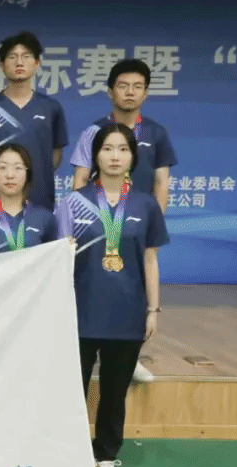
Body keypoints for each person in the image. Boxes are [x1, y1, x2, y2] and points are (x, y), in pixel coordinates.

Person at [55, 123, 168, 467]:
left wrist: (153, 310)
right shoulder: (73, 203)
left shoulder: (146, 205)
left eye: (122, 149)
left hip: (127, 313)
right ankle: (75, 459)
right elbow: (59, 259)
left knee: (115, 392)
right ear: (95, 156)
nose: (115, 156)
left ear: (132, 157)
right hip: (81, 312)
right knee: (72, 391)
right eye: (107, 149)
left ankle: (105, 458)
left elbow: (150, 260)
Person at [70, 58, 177, 384]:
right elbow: (80, 178)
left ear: (146, 93)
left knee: (135, 287)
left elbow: (161, 182)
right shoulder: (93, 131)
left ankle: (132, 355)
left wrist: (150, 226)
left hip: (135, 225)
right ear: (110, 91)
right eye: (123, 86)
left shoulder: (156, 133)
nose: (130, 92)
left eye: (137, 87)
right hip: (97, 225)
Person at [0, 31, 68, 210]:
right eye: (12, 57)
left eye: (26, 56)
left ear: (37, 63)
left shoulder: (51, 108)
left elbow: (55, 155)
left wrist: (34, 174)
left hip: (39, 203)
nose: (19, 63)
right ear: (2, 65)